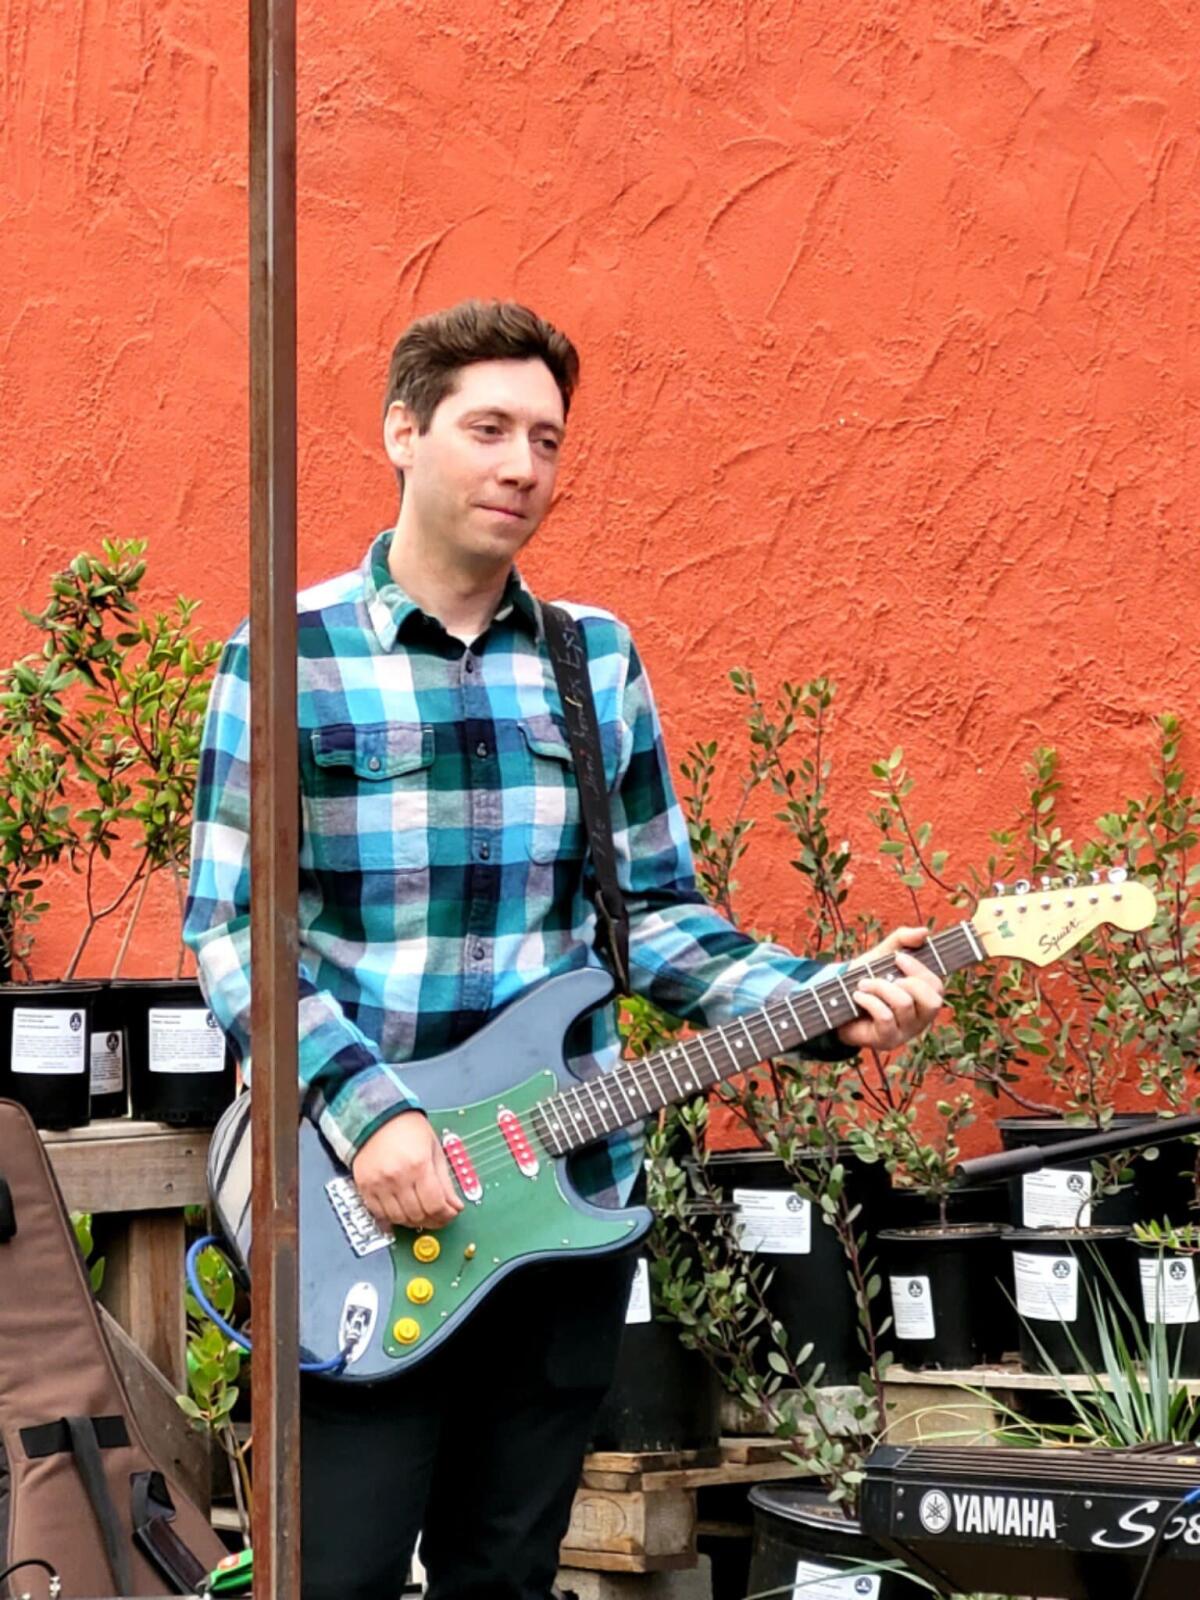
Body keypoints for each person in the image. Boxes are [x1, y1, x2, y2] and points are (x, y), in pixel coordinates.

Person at [184, 299, 945, 1600]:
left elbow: (656, 919)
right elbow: (232, 932)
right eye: (489, 428)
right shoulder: (291, 652)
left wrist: (826, 999)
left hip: (563, 1209)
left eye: (545, 437)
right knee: (340, 1573)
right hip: (363, 1203)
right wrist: (372, 1119)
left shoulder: (593, 662)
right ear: (403, 433)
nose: (522, 465)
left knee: (508, 1575)